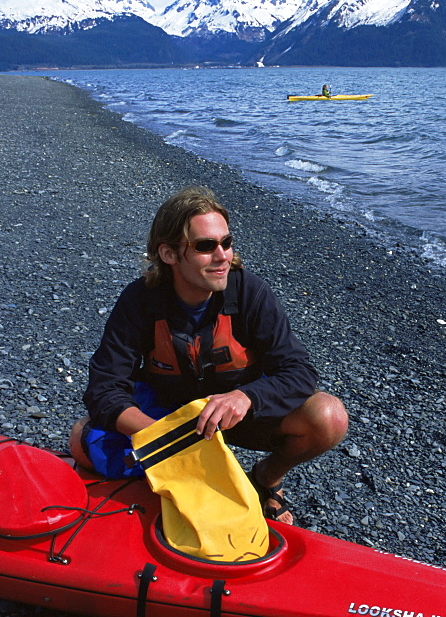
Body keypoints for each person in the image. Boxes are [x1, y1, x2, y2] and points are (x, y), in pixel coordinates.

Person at [69, 186, 348, 525]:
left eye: (226, 243)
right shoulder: (141, 301)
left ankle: (265, 479)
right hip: (170, 417)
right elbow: (104, 388)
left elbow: (298, 371)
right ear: (169, 254)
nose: (222, 256)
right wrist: (164, 436)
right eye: (205, 246)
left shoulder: (249, 293)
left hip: (238, 417)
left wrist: (245, 397)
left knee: (328, 417)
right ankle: (185, 475)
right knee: (81, 441)